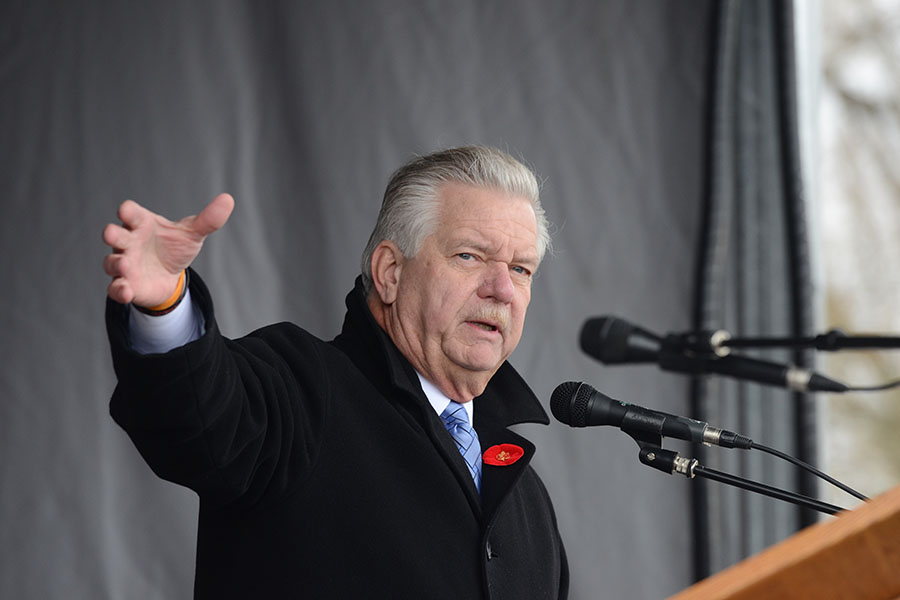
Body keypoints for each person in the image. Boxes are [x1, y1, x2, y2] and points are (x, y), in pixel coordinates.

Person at [103, 146, 569, 599]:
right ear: (390, 272)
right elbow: (201, 420)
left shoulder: (526, 498)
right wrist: (166, 309)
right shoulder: (302, 391)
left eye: (521, 269)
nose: (503, 289)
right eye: (469, 256)